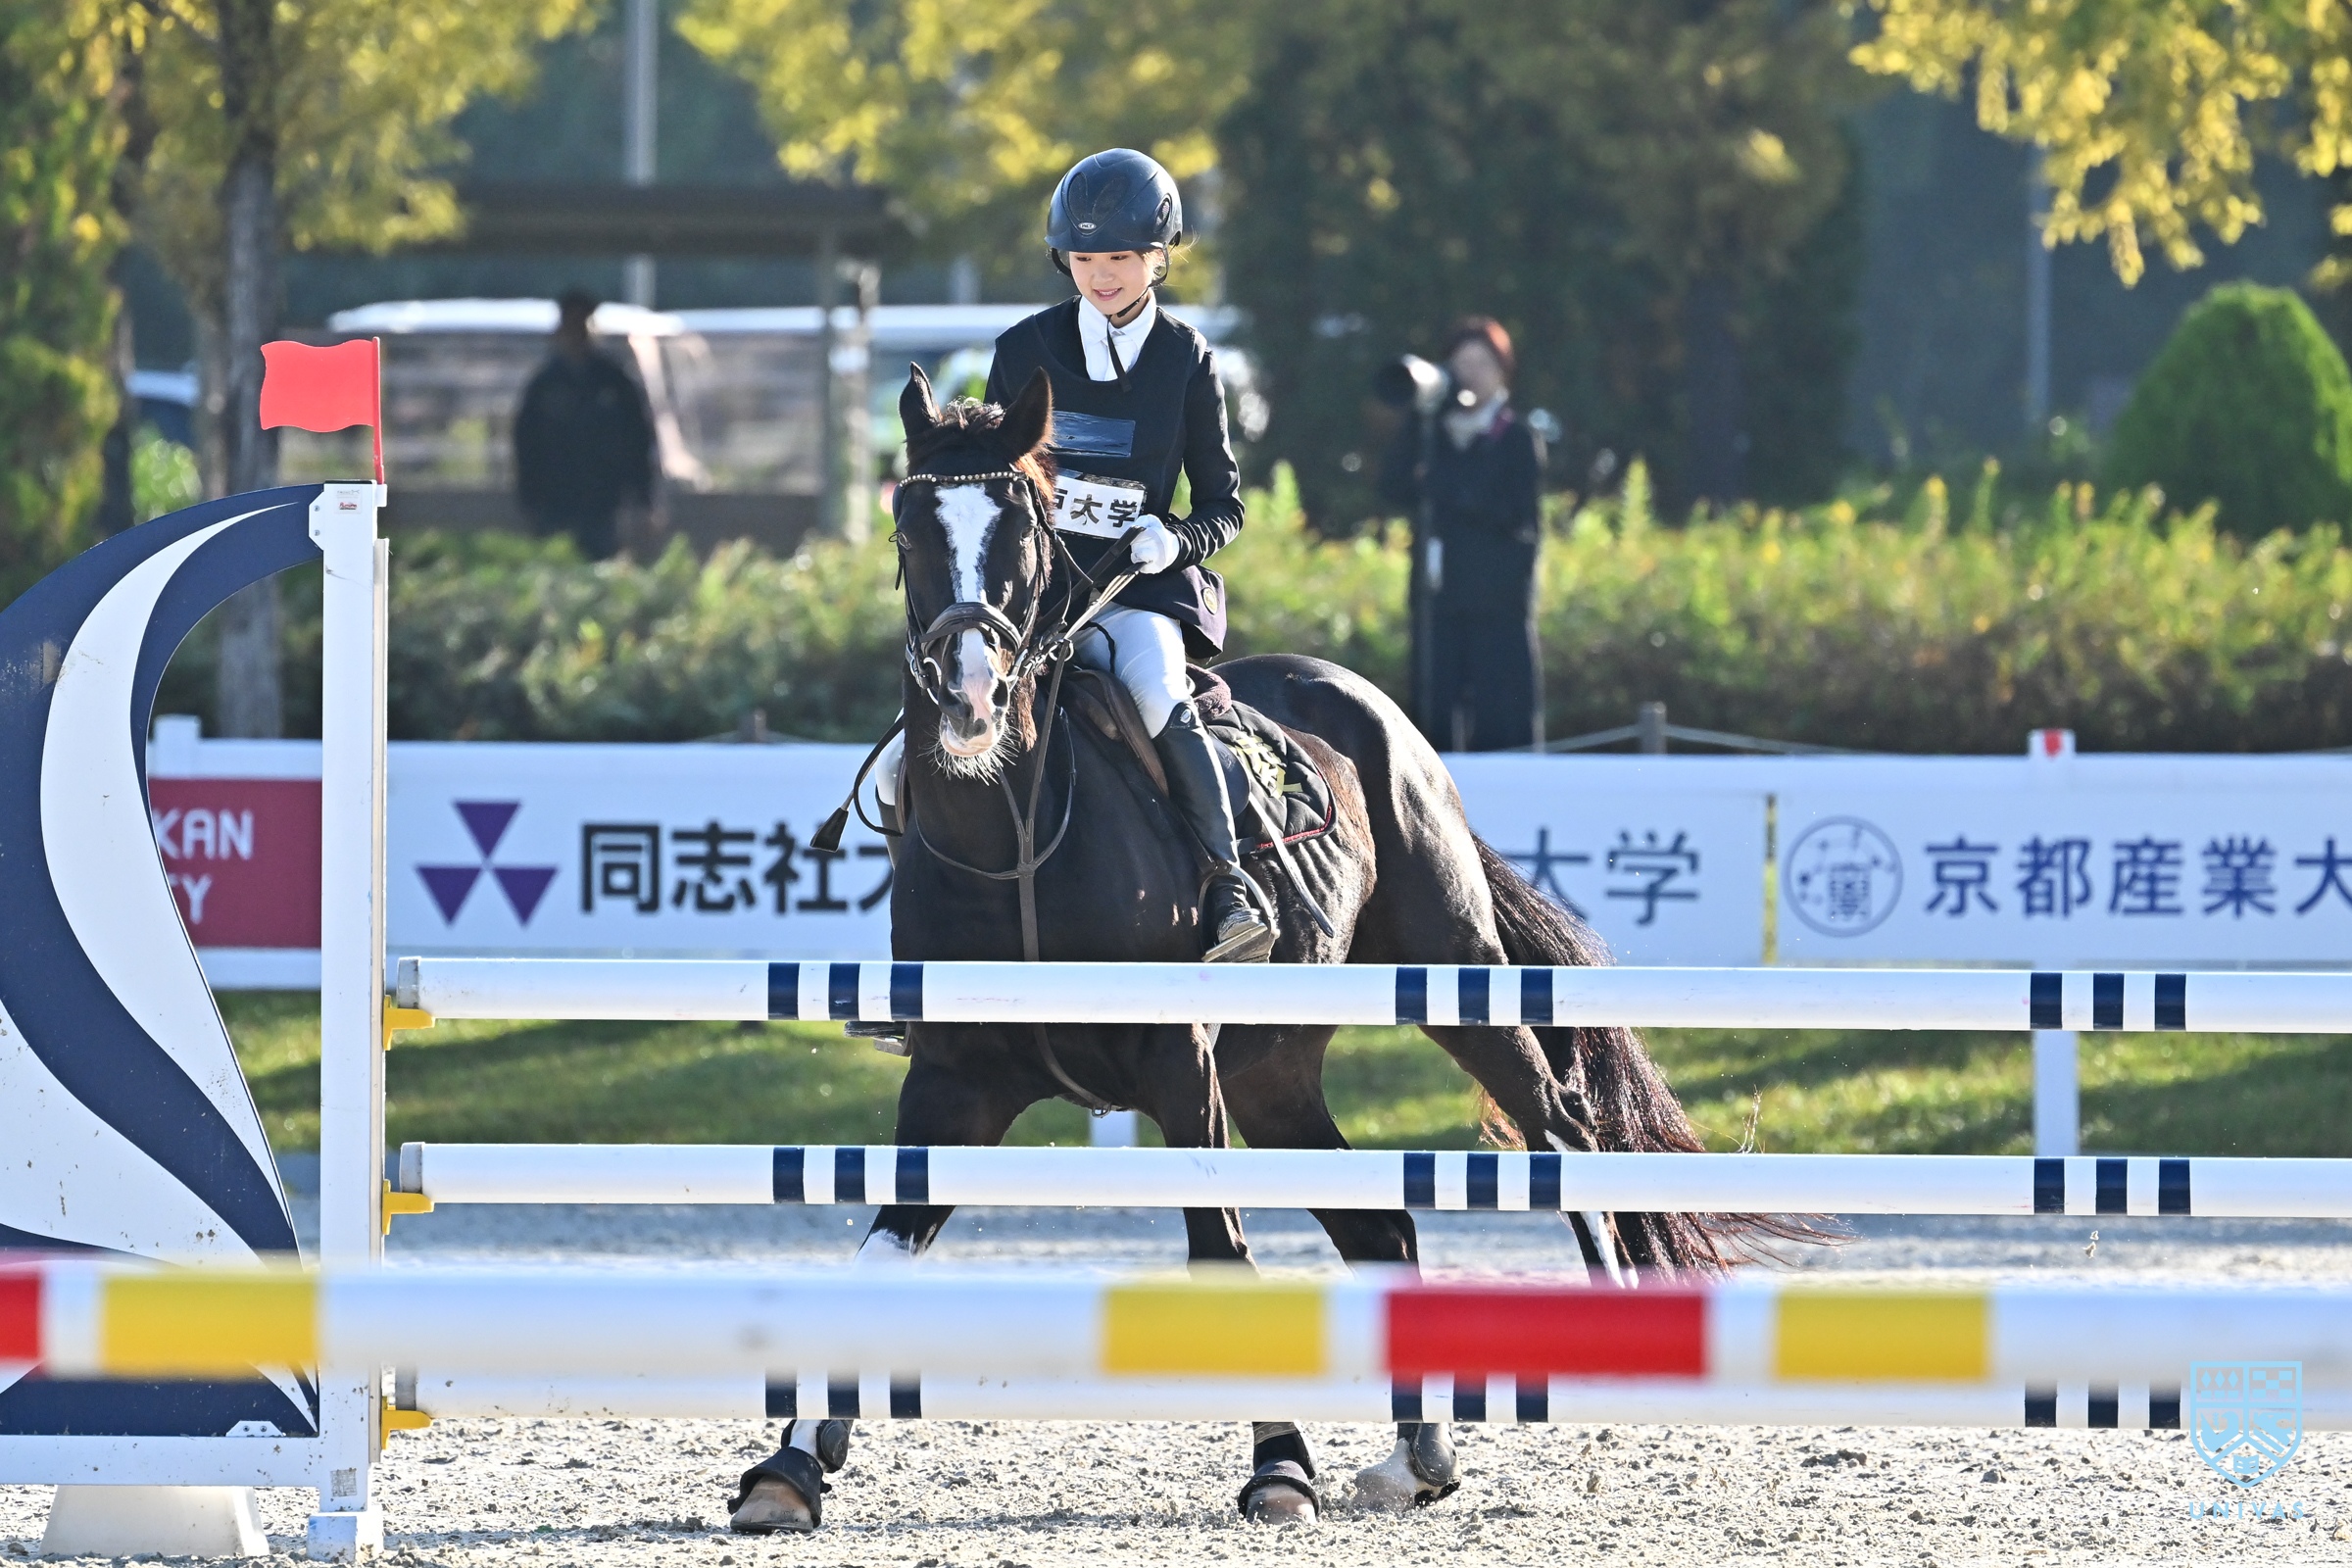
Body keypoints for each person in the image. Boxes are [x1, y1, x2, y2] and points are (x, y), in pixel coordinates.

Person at [876, 147, 1272, 966]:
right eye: (1085, 259)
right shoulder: (1024, 348)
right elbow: (985, 483)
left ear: (1158, 257)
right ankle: (918, 942)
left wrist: (1176, 539)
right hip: (1031, 604)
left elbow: (1225, 504)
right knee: (891, 768)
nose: (1101, 276)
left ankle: (1228, 884)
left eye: (1120, 258)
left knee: (1159, 695)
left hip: (1134, 593)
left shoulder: (1187, 359)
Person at [1377, 317, 1546, 751]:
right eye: (1461, 364)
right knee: (1432, 721)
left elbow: (1513, 514)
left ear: (1503, 372)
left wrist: (1442, 484)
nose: (1470, 375)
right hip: (1438, 602)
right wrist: (1419, 419)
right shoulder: (1432, 433)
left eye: (1482, 364)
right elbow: (1392, 486)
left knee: (1502, 721)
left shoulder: (1517, 437)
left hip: (1498, 605)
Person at [512, 288, 656, 560]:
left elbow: (637, 440)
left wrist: (643, 496)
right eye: (570, 325)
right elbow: (527, 444)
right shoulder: (545, 385)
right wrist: (529, 499)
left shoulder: (613, 382)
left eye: (581, 325)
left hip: (603, 502)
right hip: (554, 501)